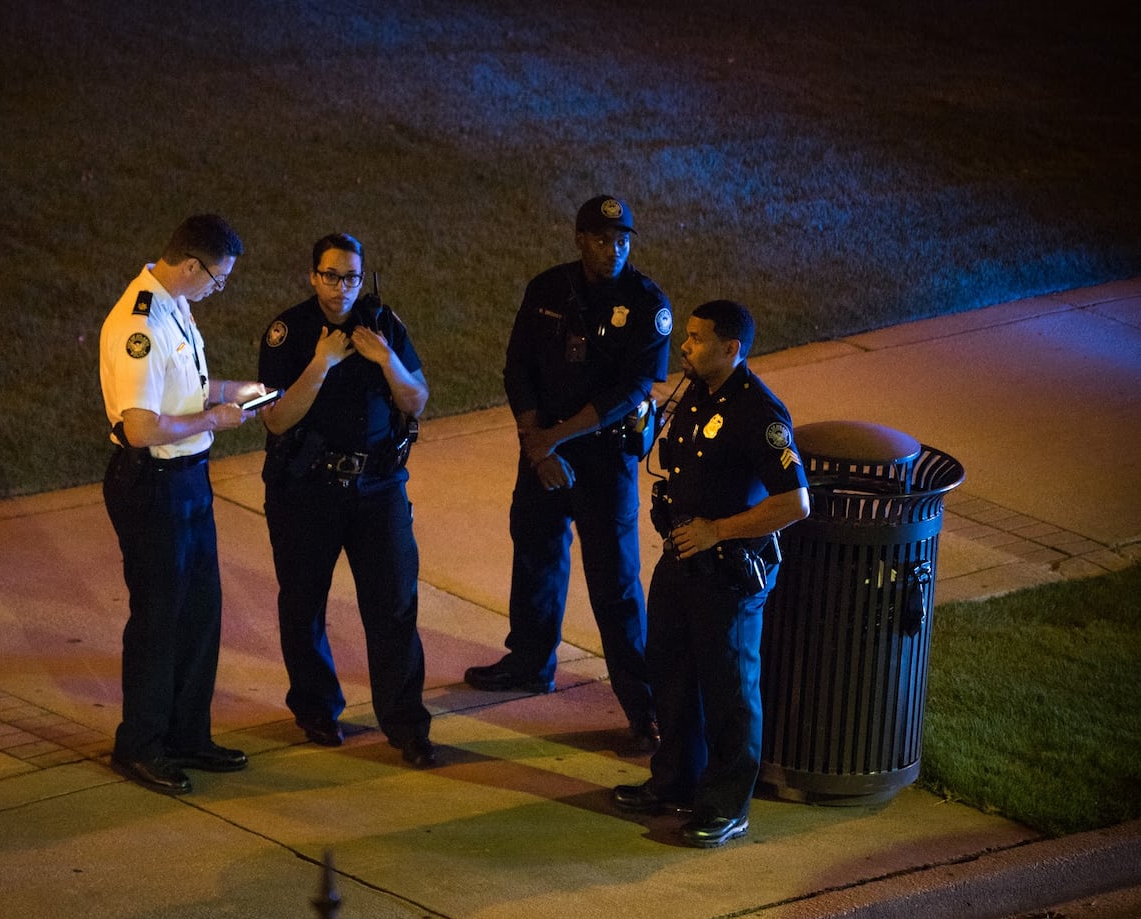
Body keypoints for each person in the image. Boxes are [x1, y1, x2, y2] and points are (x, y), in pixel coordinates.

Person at [464, 195, 671, 753]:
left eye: (623, 239)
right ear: (580, 239)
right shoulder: (548, 289)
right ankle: (530, 664)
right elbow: (518, 368)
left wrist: (552, 439)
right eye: (603, 239)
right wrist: (538, 448)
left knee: (615, 584)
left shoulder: (647, 303)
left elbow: (632, 391)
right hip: (544, 451)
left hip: (605, 460)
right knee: (534, 556)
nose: (615, 249)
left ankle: (644, 707)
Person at [612, 300, 810, 847]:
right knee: (670, 674)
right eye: (687, 336)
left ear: (731, 348)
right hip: (681, 559)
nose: (685, 345)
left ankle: (727, 806)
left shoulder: (759, 412)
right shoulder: (695, 392)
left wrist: (719, 531)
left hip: (728, 569)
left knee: (729, 692)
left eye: (697, 339)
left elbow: (796, 502)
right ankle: (673, 782)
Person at [99, 213, 271, 796]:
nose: (218, 289)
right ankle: (140, 746)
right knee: (159, 618)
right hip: (154, 484)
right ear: (192, 265)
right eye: (217, 279)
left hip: (188, 480)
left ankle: (187, 734)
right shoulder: (137, 323)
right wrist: (214, 421)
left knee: (200, 613)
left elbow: (186, 386)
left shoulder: (175, 304)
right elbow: (142, 427)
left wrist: (231, 392)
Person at [256, 233, 438, 768]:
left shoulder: (385, 325)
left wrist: (386, 361)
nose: (342, 287)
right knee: (303, 601)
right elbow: (276, 418)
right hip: (307, 489)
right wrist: (321, 363)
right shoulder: (286, 332)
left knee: (394, 605)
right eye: (331, 276)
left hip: (378, 488)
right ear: (313, 276)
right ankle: (315, 709)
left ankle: (406, 724)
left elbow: (416, 398)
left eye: (352, 277)